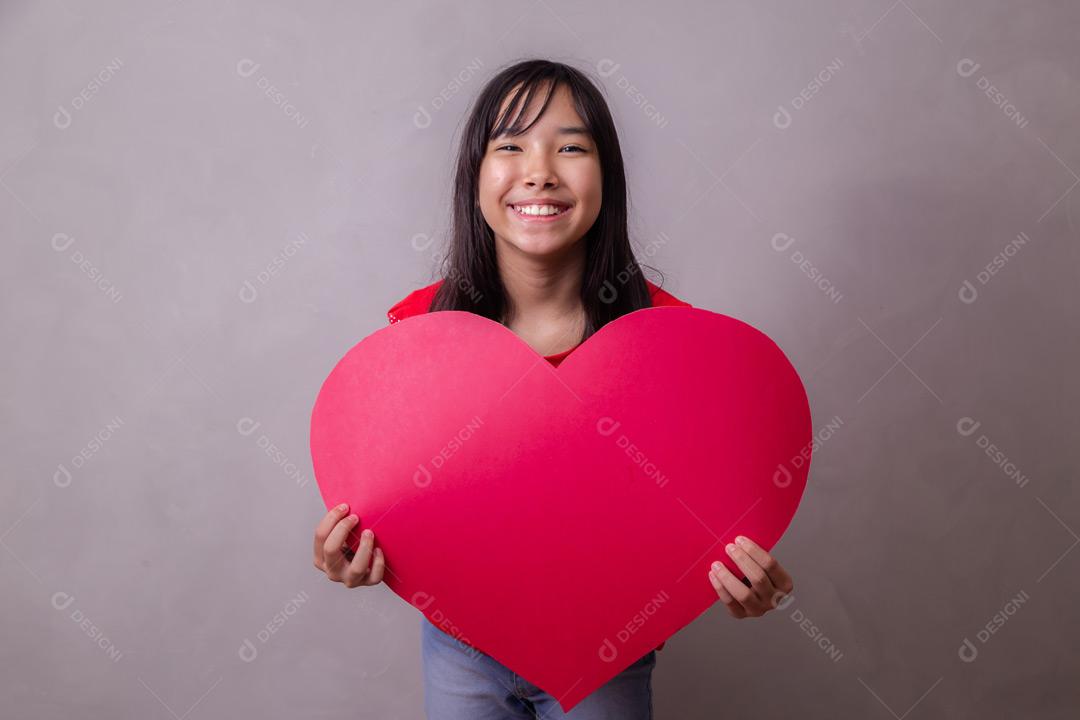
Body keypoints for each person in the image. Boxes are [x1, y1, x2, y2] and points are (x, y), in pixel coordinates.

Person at [313, 58, 795, 719]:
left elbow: (698, 508)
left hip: (607, 651)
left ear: (608, 177)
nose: (540, 170)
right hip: (461, 647)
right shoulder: (418, 336)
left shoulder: (671, 345)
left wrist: (739, 577)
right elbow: (399, 498)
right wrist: (356, 552)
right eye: (510, 146)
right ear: (475, 178)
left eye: (571, 147)